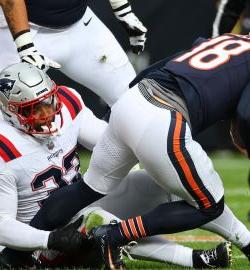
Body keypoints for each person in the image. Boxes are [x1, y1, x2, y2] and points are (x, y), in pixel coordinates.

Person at [26, 33, 250, 269]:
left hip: (134, 99)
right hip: (163, 115)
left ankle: (18, 249)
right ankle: (114, 235)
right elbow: (246, 114)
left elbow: (185, 52)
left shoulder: (234, 40)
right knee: (208, 205)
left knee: (87, 189)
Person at [0, 62, 233, 269]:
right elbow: (0, 225)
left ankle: (223, 242)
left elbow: (109, 140)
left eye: (49, 102)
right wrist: (50, 238)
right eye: (34, 109)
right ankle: (195, 260)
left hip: (76, 208)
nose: (47, 113)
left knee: (157, 181)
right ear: (11, 112)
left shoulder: (67, 104)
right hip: (37, 240)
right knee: (97, 221)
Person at [0, 0, 147, 121]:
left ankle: (117, 161)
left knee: (133, 101)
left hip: (80, 22)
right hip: (21, 29)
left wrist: (124, 12)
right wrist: (26, 47)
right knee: (11, 118)